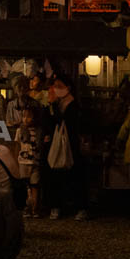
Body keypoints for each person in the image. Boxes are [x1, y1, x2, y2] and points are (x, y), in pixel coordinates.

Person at [42, 74, 87, 221]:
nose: (56, 89)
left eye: (59, 86)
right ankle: (57, 206)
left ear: (68, 88)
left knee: (75, 177)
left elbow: (70, 124)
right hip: (57, 144)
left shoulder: (73, 106)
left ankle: (79, 207)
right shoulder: (56, 105)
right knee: (56, 177)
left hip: (73, 146)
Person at [15, 107, 43, 217]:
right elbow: (17, 146)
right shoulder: (20, 131)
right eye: (24, 116)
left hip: (35, 161)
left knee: (35, 185)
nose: (26, 119)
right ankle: (27, 208)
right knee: (26, 186)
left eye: (29, 116)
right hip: (23, 161)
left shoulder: (39, 131)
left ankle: (35, 209)